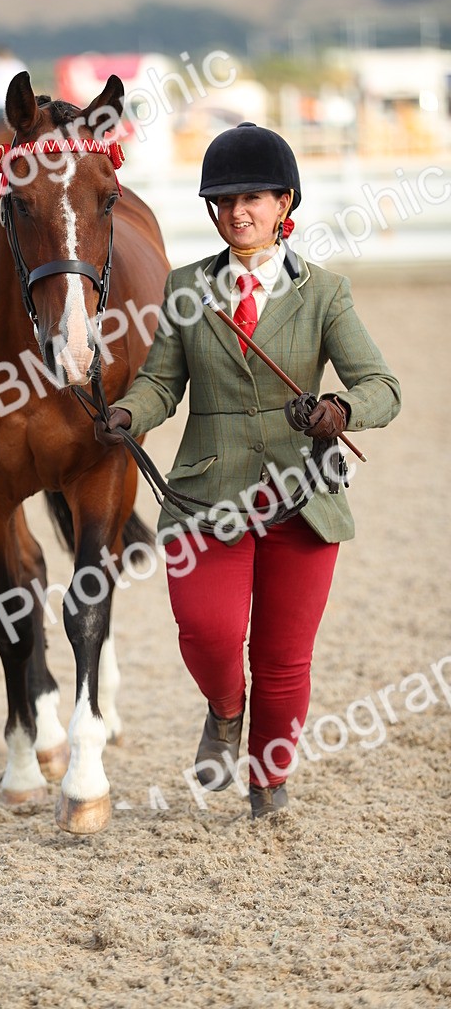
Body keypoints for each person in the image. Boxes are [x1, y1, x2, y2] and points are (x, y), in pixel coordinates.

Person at [95, 122, 401, 818]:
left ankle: (268, 782)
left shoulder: (325, 293)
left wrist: (339, 410)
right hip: (208, 493)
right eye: (226, 199)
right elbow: (161, 384)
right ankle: (224, 711)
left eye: (255, 197)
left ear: (285, 201)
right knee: (205, 631)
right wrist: (130, 414)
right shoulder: (186, 288)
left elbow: (383, 385)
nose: (239, 211)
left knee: (286, 655)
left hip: (303, 495)